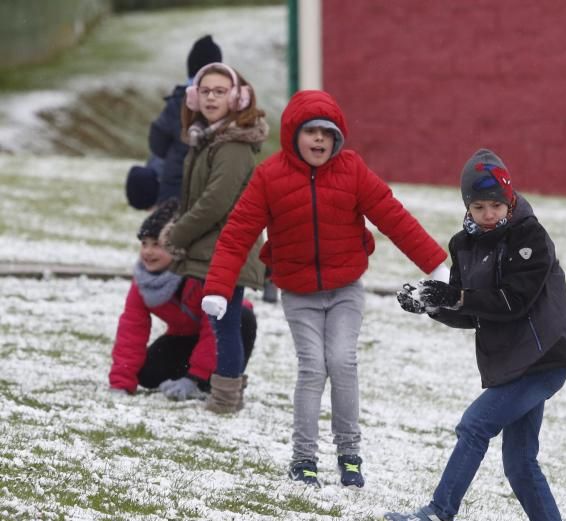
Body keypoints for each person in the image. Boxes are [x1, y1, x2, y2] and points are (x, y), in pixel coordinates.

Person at [200, 89, 448, 488]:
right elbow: (236, 235)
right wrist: (217, 287)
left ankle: (349, 454)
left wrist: (436, 267)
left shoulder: (351, 170)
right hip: (299, 294)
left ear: (338, 138)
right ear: (293, 134)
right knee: (313, 368)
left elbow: (392, 216)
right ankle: (303, 459)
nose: (319, 140)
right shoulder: (270, 176)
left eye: (327, 133)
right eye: (311, 131)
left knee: (343, 362)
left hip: (346, 289)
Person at [379, 148, 566, 521]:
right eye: (479, 206)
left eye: (496, 206)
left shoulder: (530, 237)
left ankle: (438, 517)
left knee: (475, 426)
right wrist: (431, 305)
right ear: (466, 206)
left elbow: (513, 301)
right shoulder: (464, 245)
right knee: (520, 461)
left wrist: (451, 295)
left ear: (509, 202)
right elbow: (472, 311)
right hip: (510, 362)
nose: (489, 214)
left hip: (544, 358)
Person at [159, 61, 268, 414]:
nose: (210, 97)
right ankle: (226, 393)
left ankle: (225, 398)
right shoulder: (208, 138)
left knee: (226, 326)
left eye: (219, 91)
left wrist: (177, 233)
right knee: (222, 324)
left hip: (229, 249)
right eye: (204, 91)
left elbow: (215, 202)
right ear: (193, 97)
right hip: (215, 247)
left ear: (237, 98)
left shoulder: (232, 145)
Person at [109, 199, 257, 398]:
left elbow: (211, 329)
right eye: (144, 244)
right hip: (185, 337)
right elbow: (131, 329)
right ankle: (187, 378)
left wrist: (194, 378)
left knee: (242, 319)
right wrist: (121, 383)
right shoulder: (143, 282)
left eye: (157, 244)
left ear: (175, 246)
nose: (148, 252)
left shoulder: (196, 274)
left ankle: (215, 381)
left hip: (225, 332)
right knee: (147, 375)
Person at [148, 35, 222, 205]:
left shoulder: (178, 102)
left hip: (174, 190)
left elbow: (157, 142)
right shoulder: (225, 103)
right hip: (211, 191)